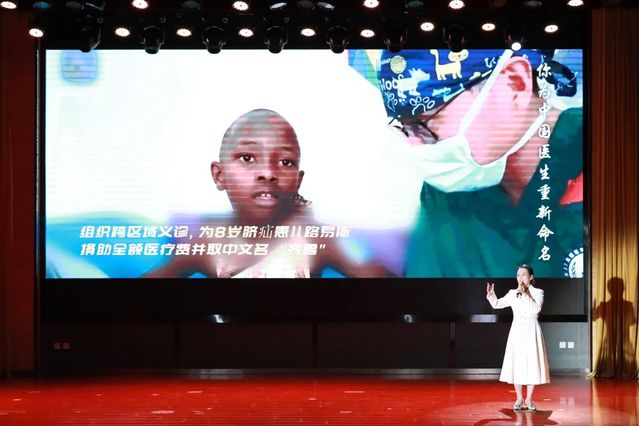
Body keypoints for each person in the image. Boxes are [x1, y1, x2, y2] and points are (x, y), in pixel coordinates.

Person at [375, 48, 583, 278]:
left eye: (424, 125)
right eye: (405, 129)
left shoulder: (603, 159)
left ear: (514, 85)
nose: (415, 146)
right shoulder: (447, 196)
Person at [145, 108, 392, 278]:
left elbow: (372, 277)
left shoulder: (311, 238)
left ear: (297, 181)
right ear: (220, 175)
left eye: (285, 162)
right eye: (247, 158)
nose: (268, 173)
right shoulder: (209, 240)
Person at [486, 264, 550, 411]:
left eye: (523, 274)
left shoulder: (538, 292)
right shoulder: (512, 293)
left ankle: (529, 398)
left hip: (531, 331)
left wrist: (525, 294)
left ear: (531, 277)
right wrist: (491, 295)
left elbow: (535, 310)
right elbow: (497, 304)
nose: (520, 277)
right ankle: (519, 398)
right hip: (517, 332)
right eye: (518, 275)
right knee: (518, 363)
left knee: (532, 364)